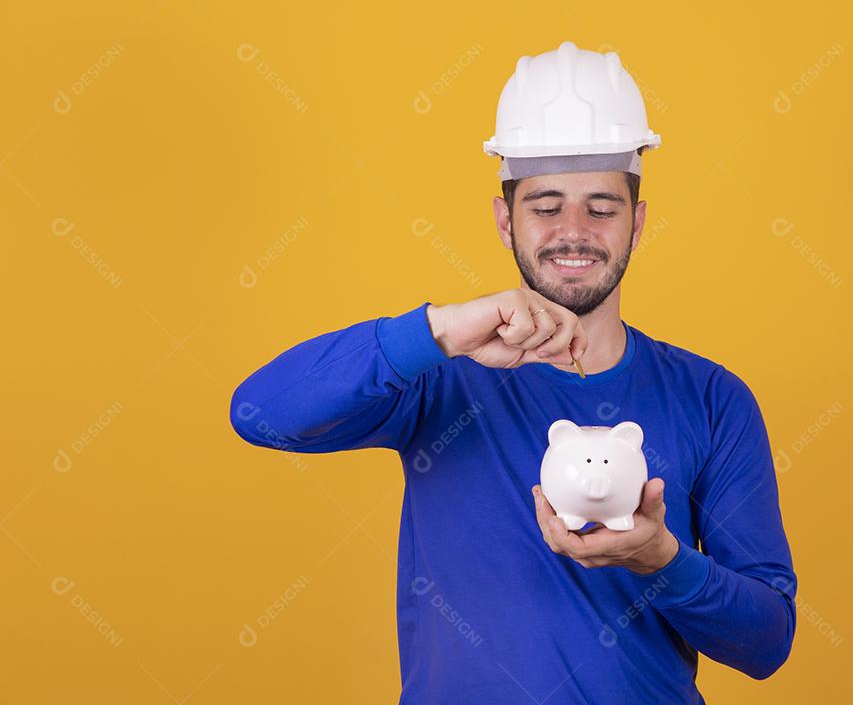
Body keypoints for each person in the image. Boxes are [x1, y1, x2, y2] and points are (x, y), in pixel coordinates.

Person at [230, 41, 797, 704]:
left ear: (637, 222)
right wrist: (437, 330)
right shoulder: (440, 377)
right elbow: (259, 413)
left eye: (602, 206)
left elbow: (766, 643)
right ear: (505, 220)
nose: (574, 230)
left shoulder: (712, 399)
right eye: (546, 204)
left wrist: (661, 561)